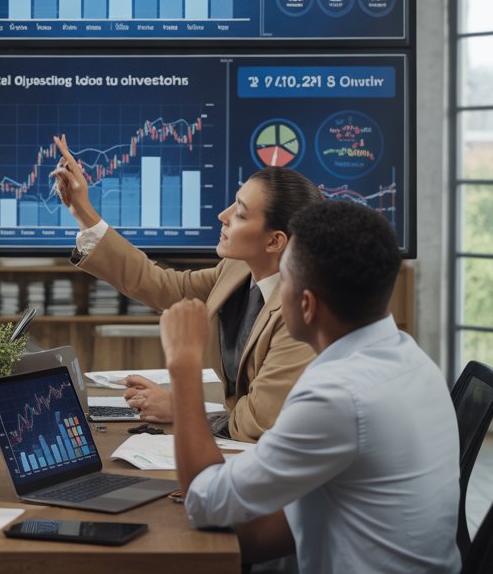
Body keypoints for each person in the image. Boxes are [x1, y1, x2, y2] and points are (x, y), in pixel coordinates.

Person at [165, 201, 459, 572]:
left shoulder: (336, 396)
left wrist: (184, 365)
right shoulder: (413, 362)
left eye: (282, 280)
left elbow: (205, 502)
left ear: (306, 305)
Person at [49, 135, 321, 441]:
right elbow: (162, 285)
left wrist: (182, 408)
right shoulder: (238, 268)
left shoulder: (302, 313)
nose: (223, 216)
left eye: (241, 213)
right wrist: (84, 212)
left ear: (275, 241)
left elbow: (259, 421)